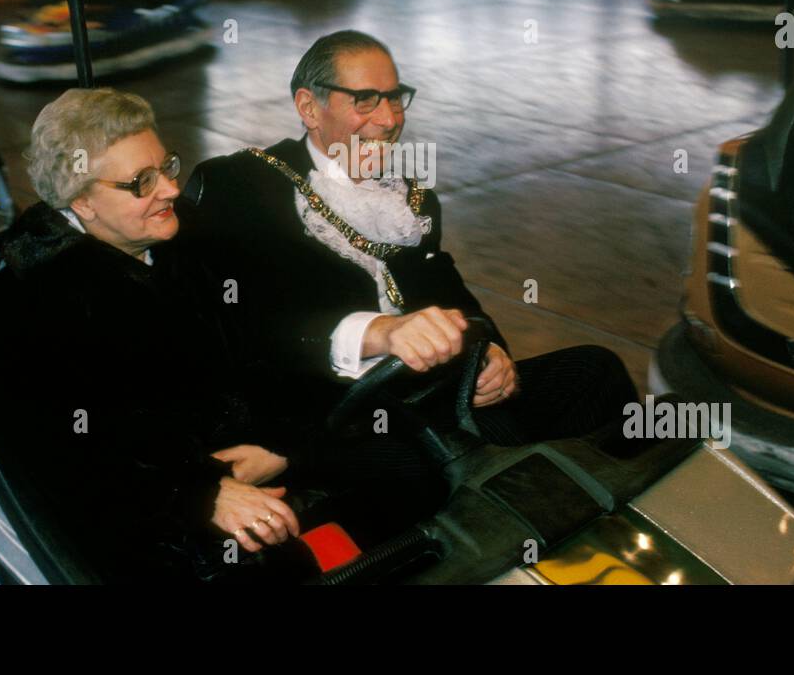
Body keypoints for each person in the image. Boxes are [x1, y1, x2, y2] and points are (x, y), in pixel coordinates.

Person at [180, 31, 639, 497]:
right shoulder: (242, 185)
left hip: (432, 397)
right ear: (309, 107)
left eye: (395, 98)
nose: (389, 119)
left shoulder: (410, 199)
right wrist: (378, 332)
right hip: (332, 417)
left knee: (594, 373)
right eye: (365, 100)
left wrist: (491, 352)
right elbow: (248, 329)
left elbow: (451, 296)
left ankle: (602, 519)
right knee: (460, 467)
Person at [0, 89, 310, 581]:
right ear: (81, 201)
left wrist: (282, 441)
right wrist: (200, 494)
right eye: (140, 182)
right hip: (147, 526)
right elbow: (64, 460)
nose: (171, 189)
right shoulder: (28, 301)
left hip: (259, 464)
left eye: (166, 167)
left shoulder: (188, 240)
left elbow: (269, 338)